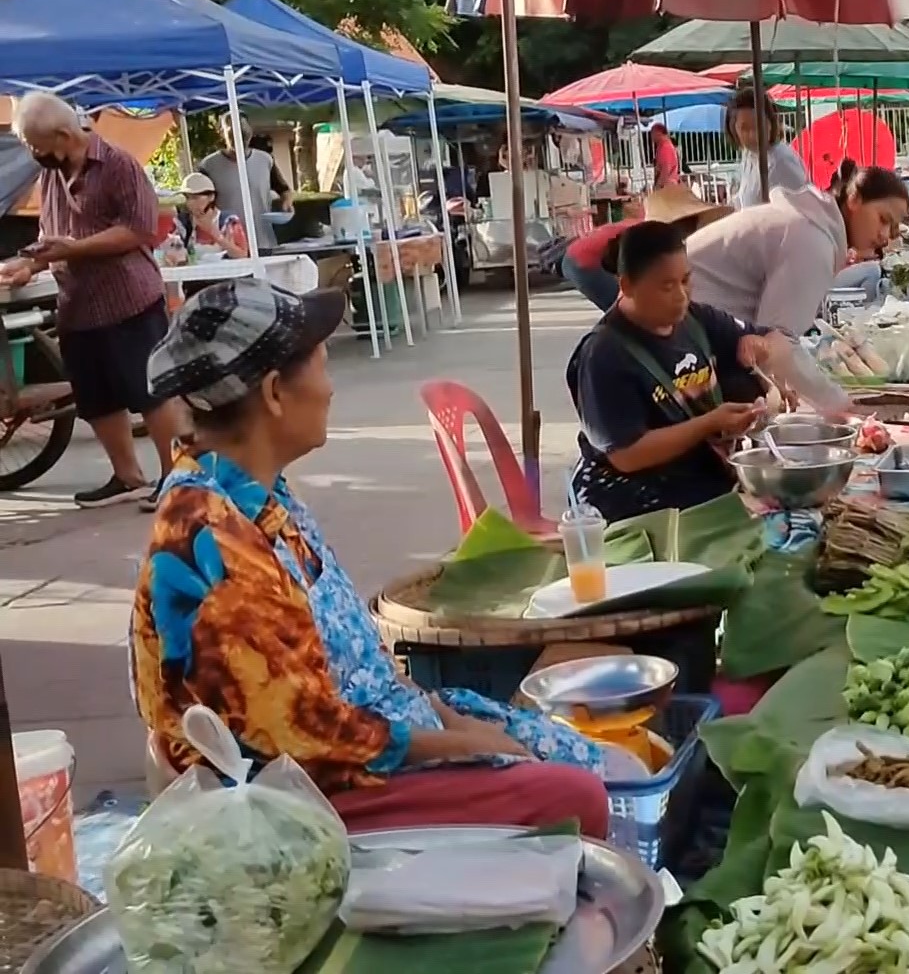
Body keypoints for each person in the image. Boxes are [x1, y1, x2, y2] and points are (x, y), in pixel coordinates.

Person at [135, 279, 615, 836]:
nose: (331, 388)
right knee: (574, 797)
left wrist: (441, 714)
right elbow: (305, 742)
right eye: (321, 365)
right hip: (304, 803)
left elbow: (352, 671)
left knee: (598, 759)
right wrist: (452, 742)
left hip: (375, 737)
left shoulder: (253, 497)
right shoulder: (215, 545)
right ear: (273, 392)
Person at [2, 92, 185, 510]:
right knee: (96, 399)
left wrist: (73, 249)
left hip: (129, 299)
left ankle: (177, 475)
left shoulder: (119, 165)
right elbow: (53, 235)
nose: (34, 154)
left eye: (36, 145)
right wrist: (31, 264)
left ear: (65, 133)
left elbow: (138, 231)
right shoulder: (50, 174)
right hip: (77, 305)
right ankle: (126, 476)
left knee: (150, 393)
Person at [567, 221, 787, 524]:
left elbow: (773, 338)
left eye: (686, 280)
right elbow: (627, 455)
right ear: (627, 285)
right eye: (666, 286)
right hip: (627, 490)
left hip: (693, 472)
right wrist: (709, 423)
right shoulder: (604, 354)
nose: (681, 296)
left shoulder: (696, 319)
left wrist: (758, 343)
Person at [689, 162, 909, 335]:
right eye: (883, 219)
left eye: (892, 228)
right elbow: (776, 341)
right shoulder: (812, 239)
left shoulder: (812, 226)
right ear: (854, 200)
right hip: (679, 327)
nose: (884, 235)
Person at [557, 187, 733, 313]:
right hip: (582, 262)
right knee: (628, 311)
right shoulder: (645, 237)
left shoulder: (661, 237)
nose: (690, 229)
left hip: (582, 256)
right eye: (687, 222)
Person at [197, 116, 289, 253]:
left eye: (243, 134)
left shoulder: (265, 160)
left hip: (263, 242)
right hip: (229, 246)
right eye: (232, 134)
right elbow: (200, 203)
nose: (239, 139)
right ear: (222, 133)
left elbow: (284, 190)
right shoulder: (209, 165)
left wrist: (287, 204)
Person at [727, 87, 810, 208]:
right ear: (734, 130)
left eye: (758, 124)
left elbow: (800, 212)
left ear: (770, 122)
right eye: (744, 128)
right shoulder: (749, 155)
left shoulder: (781, 162)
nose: (753, 133)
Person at [169, 172, 251, 261]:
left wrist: (215, 234)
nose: (190, 203)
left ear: (211, 197)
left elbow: (242, 255)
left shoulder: (228, 221)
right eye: (187, 198)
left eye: (195, 198)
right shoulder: (182, 223)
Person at [649, 122, 682, 189]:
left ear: (658, 133)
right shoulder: (661, 147)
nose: (651, 136)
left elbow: (666, 169)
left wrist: (659, 185)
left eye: (652, 133)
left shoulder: (666, 147)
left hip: (668, 186)